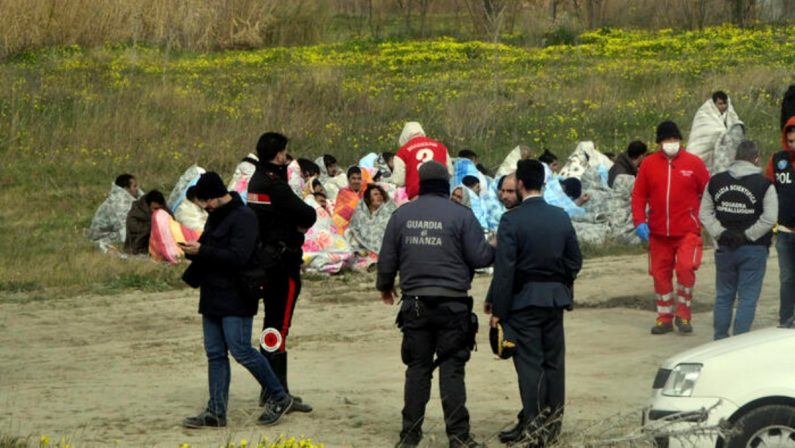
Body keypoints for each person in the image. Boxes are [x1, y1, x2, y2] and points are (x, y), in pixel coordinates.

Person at [377, 161, 495, 448]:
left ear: (420, 183)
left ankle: (409, 436)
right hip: (453, 305)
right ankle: (458, 437)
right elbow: (480, 259)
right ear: (446, 183)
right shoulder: (462, 215)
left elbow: (387, 259)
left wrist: (385, 286)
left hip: (415, 305)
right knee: (452, 369)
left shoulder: (401, 215)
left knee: (417, 369)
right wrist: (495, 245)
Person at [181, 172, 293, 428]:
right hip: (212, 294)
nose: (205, 207)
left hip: (237, 295)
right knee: (215, 354)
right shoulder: (215, 217)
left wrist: (203, 251)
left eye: (206, 201)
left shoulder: (244, 218)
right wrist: (194, 251)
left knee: (241, 350)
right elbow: (211, 251)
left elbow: (239, 257)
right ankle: (216, 412)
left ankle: (279, 396)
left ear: (217, 195)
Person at [489, 159, 582, 446]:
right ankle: (552, 427)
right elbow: (574, 262)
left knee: (530, 367)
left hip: (523, 302)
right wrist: (559, 284)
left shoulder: (511, 220)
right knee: (554, 364)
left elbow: (505, 271)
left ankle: (534, 426)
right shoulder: (560, 216)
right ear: (542, 182)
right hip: (554, 301)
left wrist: (497, 311)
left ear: (519, 184)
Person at [247, 132, 317, 413]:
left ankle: (273, 390)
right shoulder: (275, 185)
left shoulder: (255, 180)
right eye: (285, 153)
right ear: (278, 155)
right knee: (279, 328)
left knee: (272, 325)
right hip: (282, 262)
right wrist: (296, 224)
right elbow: (308, 215)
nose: (287, 157)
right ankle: (277, 393)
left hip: (266, 260)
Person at [632, 120, 710, 334]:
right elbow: (638, 195)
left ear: (680, 140)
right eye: (667, 140)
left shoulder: (694, 163)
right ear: (659, 142)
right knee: (660, 275)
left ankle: (683, 315)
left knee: (685, 270)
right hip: (658, 233)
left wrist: (701, 220)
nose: (671, 143)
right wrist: (639, 221)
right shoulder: (648, 164)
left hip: (687, 232)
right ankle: (664, 317)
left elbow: (708, 193)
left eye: (674, 139)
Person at [700, 140, 776, 340]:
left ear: (735, 158)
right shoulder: (765, 185)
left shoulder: (715, 181)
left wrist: (720, 233)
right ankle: (739, 342)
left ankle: (719, 339)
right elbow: (769, 218)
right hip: (754, 249)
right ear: (756, 159)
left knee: (724, 296)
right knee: (747, 298)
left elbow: (705, 214)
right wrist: (748, 235)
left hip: (724, 248)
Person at [765, 115, 795, 324]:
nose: (794, 145)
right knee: (786, 278)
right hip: (784, 231)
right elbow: (766, 189)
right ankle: (785, 320)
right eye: (791, 141)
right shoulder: (777, 160)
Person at [393, 121, 454, 199]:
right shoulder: (441, 147)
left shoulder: (402, 152)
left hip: (418, 194)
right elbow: (450, 172)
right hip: (441, 193)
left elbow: (399, 181)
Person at [87, 173, 144, 250]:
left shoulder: (130, 197)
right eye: (134, 186)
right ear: (126, 189)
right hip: (101, 237)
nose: (137, 189)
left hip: (113, 232)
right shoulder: (119, 203)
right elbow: (126, 227)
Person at [124, 190, 168, 255]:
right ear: (148, 205)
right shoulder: (136, 212)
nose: (158, 211)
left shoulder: (165, 210)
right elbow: (134, 229)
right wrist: (153, 226)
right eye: (155, 209)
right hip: (138, 248)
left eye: (160, 208)